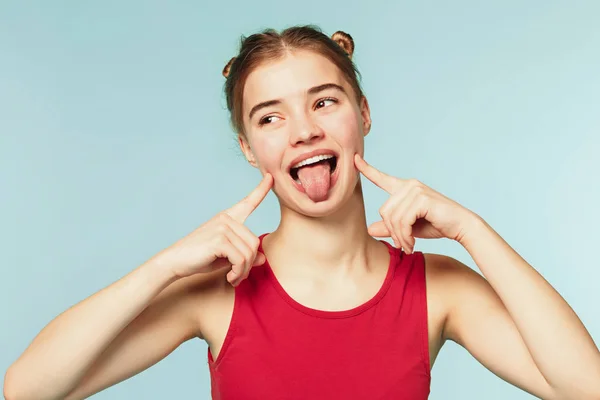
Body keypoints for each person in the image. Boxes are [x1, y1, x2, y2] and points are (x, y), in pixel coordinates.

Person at [3, 25, 600, 400]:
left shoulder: (437, 288)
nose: (304, 131)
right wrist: (164, 267)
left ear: (362, 113)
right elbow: (27, 389)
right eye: (270, 117)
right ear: (248, 147)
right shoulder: (219, 290)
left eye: (324, 101)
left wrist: (473, 231)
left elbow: (585, 388)